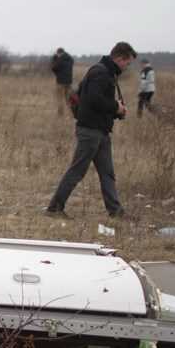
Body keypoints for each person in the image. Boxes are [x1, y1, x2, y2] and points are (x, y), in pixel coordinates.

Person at [45, 42, 138, 219]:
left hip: (100, 130)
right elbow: (94, 100)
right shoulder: (101, 72)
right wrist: (115, 107)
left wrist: (116, 112)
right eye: (127, 63)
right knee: (77, 171)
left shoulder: (105, 71)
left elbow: (93, 100)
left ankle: (116, 212)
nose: (127, 67)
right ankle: (55, 208)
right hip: (90, 131)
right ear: (119, 58)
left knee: (107, 173)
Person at [50, 47, 74, 116]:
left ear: (59, 53)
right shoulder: (70, 59)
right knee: (68, 99)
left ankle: (60, 114)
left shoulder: (60, 59)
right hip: (69, 82)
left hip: (60, 82)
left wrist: (54, 60)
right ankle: (72, 113)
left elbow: (53, 68)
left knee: (59, 98)